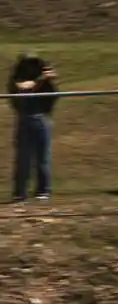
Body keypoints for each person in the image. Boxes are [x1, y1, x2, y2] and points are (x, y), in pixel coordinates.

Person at [9, 52, 57, 203]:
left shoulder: (45, 81)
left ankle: (43, 191)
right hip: (24, 119)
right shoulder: (16, 80)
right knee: (23, 159)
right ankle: (20, 193)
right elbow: (23, 88)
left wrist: (48, 79)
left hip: (42, 119)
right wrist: (41, 79)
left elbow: (53, 96)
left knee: (43, 158)